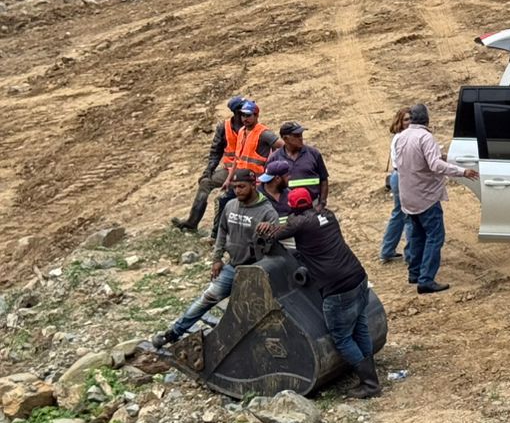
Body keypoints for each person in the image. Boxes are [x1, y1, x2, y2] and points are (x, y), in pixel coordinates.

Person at [257, 189, 381, 398]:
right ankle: (368, 369)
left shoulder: (299, 223)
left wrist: (268, 227)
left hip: (337, 288)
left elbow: (273, 235)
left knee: (341, 337)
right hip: (357, 277)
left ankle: (370, 383)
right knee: (359, 326)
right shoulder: (328, 216)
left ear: (293, 208)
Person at [151, 173, 277, 347]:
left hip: (255, 271)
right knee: (207, 298)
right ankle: (174, 333)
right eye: (235, 187)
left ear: (253, 185)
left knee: (253, 310)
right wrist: (217, 259)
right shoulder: (231, 206)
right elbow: (222, 232)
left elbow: (276, 242)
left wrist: (271, 230)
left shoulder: (267, 211)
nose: (237, 191)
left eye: (242, 186)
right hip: (232, 267)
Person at [392, 102, 478, 294]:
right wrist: (462, 171)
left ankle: (414, 273)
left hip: (408, 195)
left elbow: (401, 164)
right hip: (426, 196)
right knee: (434, 237)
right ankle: (426, 279)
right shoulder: (426, 137)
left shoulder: (401, 137)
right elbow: (435, 165)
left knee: (416, 235)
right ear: (427, 119)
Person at [172, 96, 245, 232]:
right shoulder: (224, 127)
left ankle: (218, 232)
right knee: (205, 183)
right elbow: (216, 151)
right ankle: (192, 223)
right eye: (243, 109)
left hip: (247, 171)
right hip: (229, 169)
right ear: (237, 112)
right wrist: (209, 169)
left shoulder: (252, 126)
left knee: (225, 198)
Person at [210, 100, 278, 239]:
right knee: (223, 202)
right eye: (243, 115)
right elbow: (237, 157)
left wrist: (272, 164)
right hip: (240, 178)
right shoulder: (242, 131)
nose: (245, 118)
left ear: (256, 116)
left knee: (254, 210)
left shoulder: (263, 133)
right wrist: (229, 179)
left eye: (248, 115)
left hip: (256, 182)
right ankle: (217, 235)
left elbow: (281, 146)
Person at [378, 107, 413, 265]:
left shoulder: (399, 138)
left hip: (396, 176)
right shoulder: (402, 138)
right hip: (403, 177)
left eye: (411, 118)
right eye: (406, 119)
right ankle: (411, 254)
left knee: (398, 214)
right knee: (409, 216)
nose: (409, 122)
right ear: (400, 122)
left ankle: (387, 250)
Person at [267, 122, 329, 209]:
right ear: (285, 138)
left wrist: (322, 203)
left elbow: (324, 180)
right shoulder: (275, 158)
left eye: (301, 135)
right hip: (287, 207)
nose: (301, 138)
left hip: (313, 206)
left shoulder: (314, 154)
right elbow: (269, 186)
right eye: (296, 136)